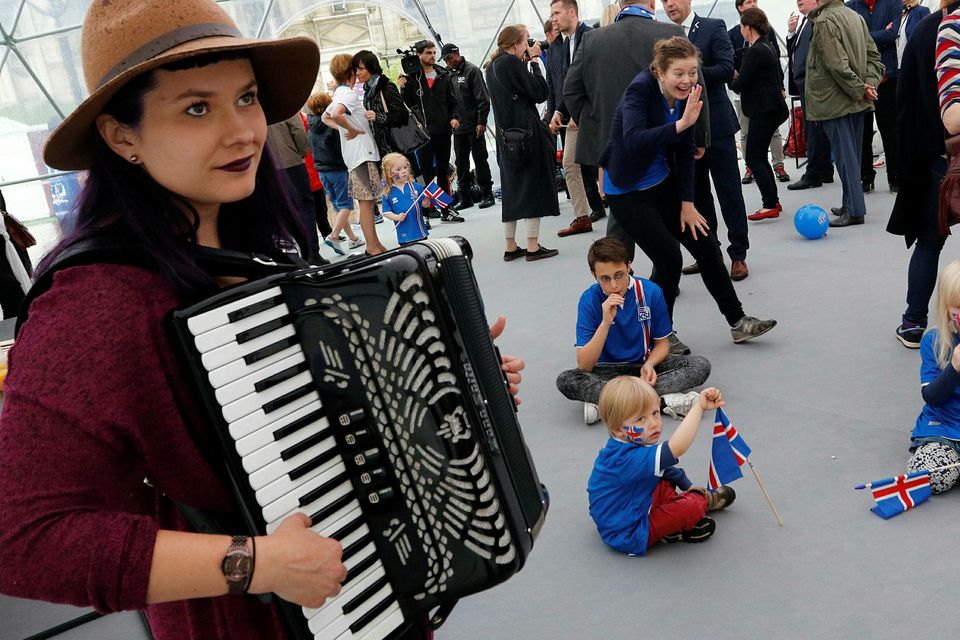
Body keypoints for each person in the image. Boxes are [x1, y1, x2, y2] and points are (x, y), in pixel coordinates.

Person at [0, 0, 351, 636]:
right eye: (196, 108)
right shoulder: (95, 302)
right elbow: (21, 538)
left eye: (245, 98)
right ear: (121, 137)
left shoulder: (261, 246)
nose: (243, 130)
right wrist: (255, 562)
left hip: (358, 593)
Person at [599, 36, 777, 345]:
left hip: (662, 181)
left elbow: (685, 151)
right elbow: (633, 140)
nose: (687, 80)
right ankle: (658, 335)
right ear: (660, 72)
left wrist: (686, 202)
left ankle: (738, 321)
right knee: (669, 259)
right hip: (626, 190)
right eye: (679, 73)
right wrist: (680, 125)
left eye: (692, 72)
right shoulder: (640, 89)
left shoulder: (687, 95)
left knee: (706, 245)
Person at [555, 237, 711, 425]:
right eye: (604, 278)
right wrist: (605, 323)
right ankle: (663, 402)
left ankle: (608, 402)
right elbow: (585, 365)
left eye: (619, 275)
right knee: (567, 380)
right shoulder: (588, 300)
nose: (613, 285)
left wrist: (650, 364)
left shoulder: (651, 292)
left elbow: (663, 344)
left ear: (629, 266)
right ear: (593, 275)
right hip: (605, 370)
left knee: (699, 365)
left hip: (642, 366)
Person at [587, 376, 735, 555]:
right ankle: (701, 501)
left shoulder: (625, 442)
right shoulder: (625, 458)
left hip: (628, 507)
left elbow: (666, 471)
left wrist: (685, 484)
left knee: (663, 481)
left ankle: (673, 529)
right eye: (641, 419)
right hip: (629, 531)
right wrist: (698, 407)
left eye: (655, 413)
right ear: (618, 429)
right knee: (691, 506)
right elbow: (677, 448)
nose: (653, 423)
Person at [663, 0, 751, 281]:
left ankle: (738, 254)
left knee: (729, 192)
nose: (669, 4)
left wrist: (689, 77)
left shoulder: (713, 27)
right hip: (684, 130)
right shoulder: (663, 37)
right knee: (697, 196)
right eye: (664, 0)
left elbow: (727, 69)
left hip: (718, 125)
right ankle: (709, 253)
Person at [888, 1, 956, 347]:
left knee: (931, 239)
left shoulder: (926, 31)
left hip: (940, 154)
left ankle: (914, 322)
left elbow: (906, 98)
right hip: (942, 151)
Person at [805, 0, 884, 228]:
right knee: (853, 155)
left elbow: (836, 65)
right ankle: (850, 203)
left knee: (845, 157)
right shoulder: (855, 17)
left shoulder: (824, 21)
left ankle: (855, 210)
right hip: (856, 100)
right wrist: (867, 85)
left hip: (836, 100)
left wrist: (861, 88)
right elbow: (874, 57)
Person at [486, 25, 561, 262]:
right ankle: (532, 245)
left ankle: (510, 246)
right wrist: (536, 61)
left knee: (512, 191)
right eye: (526, 41)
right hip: (527, 137)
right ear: (516, 44)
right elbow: (539, 92)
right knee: (533, 188)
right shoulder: (511, 63)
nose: (529, 45)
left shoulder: (492, 67)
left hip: (507, 139)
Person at [548, 0, 606, 238]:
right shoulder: (560, 45)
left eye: (556, 13)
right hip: (572, 118)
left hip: (597, 114)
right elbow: (568, 84)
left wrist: (579, 110)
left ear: (571, 12)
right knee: (570, 163)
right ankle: (582, 216)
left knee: (606, 161)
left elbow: (598, 80)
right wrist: (559, 111)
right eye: (551, 14)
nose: (553, 18)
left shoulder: (593, 37)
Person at [321, 53, 388, 254]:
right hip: (362, 154)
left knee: (366, 202)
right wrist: (353, 130)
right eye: (355, 69)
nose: (358, 72)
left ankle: (375, 244)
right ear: (350, 71)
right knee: (366, 203)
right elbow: (334, 115)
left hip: (357, 155)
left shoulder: (341, 93)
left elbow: (326, 117)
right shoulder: (348, 95)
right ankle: (372, 247)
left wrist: (348, 128)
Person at [906, 260, 960, 493]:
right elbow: (932, 396)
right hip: (943, 427)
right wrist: (955, 368)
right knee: (929, 478)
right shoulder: (934, 342)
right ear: (946, 307)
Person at [731, 8, 790, 222]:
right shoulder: (768, 46)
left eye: (742, 27)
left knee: (754, 157)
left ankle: (769, 204)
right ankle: (772, 200)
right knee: (759, 156)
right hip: (770, 109)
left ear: (748, 27)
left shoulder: (756, 51)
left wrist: (732, 75)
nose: (741, 30)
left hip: (763, 110)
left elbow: (740, 84)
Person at [398, 41, 464, 223]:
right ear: (419, 54)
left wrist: (455, 117)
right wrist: (403, 88)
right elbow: (407, 106)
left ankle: (446, 209)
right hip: (423, 134)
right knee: (426, 174)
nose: (432, 56)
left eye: (434, 52)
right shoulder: (412, 78)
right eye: (428, 53)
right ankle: (426, 214)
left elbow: (453, 100)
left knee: (443, 171)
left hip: (443, 129)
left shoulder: (443, 74)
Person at [848, 0, 902, 194]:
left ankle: (895, 178)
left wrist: (862, 37)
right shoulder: (850, 6)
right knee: (861, 134)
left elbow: (892, 33)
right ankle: (865, 178)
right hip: (860, 81)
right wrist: (880, 35)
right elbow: (849, 39)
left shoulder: (893, 2)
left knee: (891, 131)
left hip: (887, 78)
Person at [305, 92, 365, 256]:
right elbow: (342, 146)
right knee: (346, 204)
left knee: (339, 206)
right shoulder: (331, 125)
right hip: (337, 169)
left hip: (322, 172)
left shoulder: (311, 125)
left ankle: (352, 238)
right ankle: (333, 236)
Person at [786, 0, 836, 191]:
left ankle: (814, 172)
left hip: (812, 83)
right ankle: (824, 169)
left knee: (814, 128)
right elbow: (796, 51)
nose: (799, 1)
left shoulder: (818, 21)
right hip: (805, 83)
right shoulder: (806, 22)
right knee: (815, 127)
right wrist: (791, 32)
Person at [441, 43, 496, 210]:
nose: (448, 62)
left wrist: (481, 122)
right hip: (458, 127)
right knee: (461, 162)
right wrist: (452, 119)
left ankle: (487, 193)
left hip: (474, 125)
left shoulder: (472, 71)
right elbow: (448, 102)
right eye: (445, 60)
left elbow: (482, 99)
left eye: (449, 58)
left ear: (457, 53)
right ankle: (465, 197)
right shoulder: (448, 75)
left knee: (480, 160)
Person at [267, 115, 318, 259]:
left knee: (283, 212)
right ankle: (312, 252)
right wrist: (301, 152)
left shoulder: (258, 108)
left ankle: (296, 255)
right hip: (292, 161)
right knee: (305, 207)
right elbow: (298, 131)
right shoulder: (286, 106)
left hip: (270, 167)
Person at [353, 50, 407, 161]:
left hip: (394, 149)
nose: (357, 73)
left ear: (372, 67)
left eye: (361, 69)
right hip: (379, 151)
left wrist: (378, 117)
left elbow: (402, 115)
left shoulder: (386, 87)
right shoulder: (368, 90)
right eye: (356, 69)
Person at [297, 110, 333, 245]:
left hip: (306, 163)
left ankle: (326, 232)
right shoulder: (299, 117)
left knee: (315, 204)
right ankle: (325, 233)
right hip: (306, 162)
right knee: (317, 204)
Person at [380, 152, 429, 245]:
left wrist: (426, 200)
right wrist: (396, 217)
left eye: (405, 167)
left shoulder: (415, 186)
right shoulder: (388, 192)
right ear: (390, 174)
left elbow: (425, 205)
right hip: (404, 235)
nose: (403, 171)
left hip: (420, 231)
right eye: (398, 169)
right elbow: (386, 212)